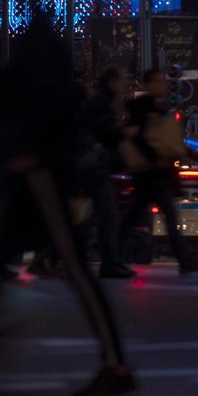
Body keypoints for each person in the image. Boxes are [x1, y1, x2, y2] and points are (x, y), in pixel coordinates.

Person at [0, 0, 134, 396]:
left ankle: (116, 362)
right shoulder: (39, 34)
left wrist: (26, 146)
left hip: (44, 166)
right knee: (29, 252)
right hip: (39, 164)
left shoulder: (40, 38)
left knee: (70, 262)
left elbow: (42, 103)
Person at [119, 69, 198, 274]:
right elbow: (140, 138)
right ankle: (184, 260)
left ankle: (185, 260)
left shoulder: (157, 108)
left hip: (152, 174)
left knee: (144, 215)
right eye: (158, 81)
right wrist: (154, 157)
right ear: (148, 85)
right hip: (150, 173)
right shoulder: (143, 109)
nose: (163, 85)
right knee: (163, 215)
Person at [79, 67, 134, 278]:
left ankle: (109, 261)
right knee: (105, 217)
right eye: (122, 81)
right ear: (112, 82)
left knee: (95, 217)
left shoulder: (101, 102)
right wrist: (123, 132)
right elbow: (104, 132)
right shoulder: (103, 104)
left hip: (93, 165)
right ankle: (109, 263)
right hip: (96, 166)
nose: (125, 86)